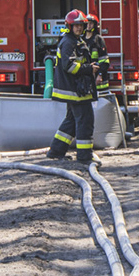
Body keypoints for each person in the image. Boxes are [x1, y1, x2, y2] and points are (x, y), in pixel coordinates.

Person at [46, 9, 99, 165]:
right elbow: (68, 66)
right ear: (69, 26)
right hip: (75, 91)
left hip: (74, 90)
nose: (79, 28)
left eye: (81, 25)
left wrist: (88, 66)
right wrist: (89, 69)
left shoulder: (75, 40)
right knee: (85, 120)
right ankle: (84, 156)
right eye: (76, 25)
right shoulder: (69, 42)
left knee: (71, 121)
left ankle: (56, 151)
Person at [83, 13, 111, 96]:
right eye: (87, 23)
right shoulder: (81, 40)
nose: (88, 26)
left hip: (99, 81)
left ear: (95, 25)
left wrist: (100, 74)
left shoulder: (98, 39)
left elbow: (104, 61)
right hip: (86, 78)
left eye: (91, 23)